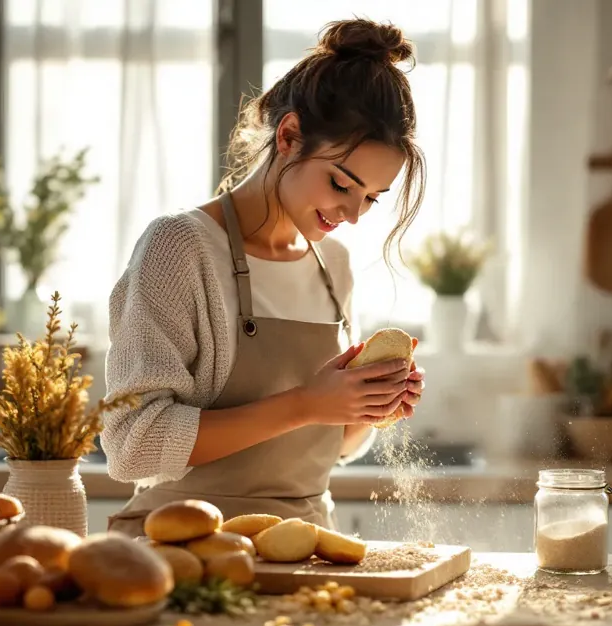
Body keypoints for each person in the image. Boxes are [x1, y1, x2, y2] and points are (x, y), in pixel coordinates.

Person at [102, 18, 427, 534]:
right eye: (342, 184)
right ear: (290, 135)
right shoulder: (179, 248)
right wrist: (306, 403)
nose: (354, 213)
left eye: (370, 198)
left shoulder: (333, 265)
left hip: (302, 545)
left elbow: (327, 445)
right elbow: (132, 445)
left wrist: (364, 406)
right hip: (184, 545)